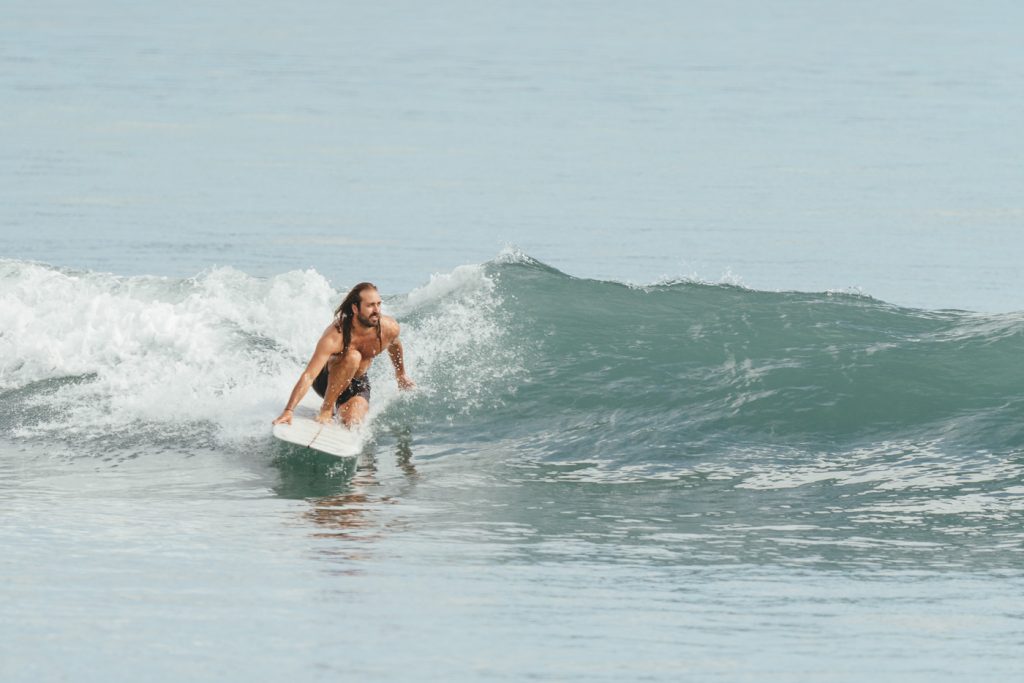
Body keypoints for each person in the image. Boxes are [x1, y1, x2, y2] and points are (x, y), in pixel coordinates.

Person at [272, 282, 414, 427]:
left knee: (353, 422)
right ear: (355, 308)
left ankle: (342, 408)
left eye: (378, 304)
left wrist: (400, 374)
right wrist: (289, 410)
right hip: (326, 380)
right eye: (370, 305)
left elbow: (394, 344)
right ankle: (327, 408)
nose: (376, 310)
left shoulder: (388, 328)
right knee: (353, 357)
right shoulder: (336, 335)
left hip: (357, 383)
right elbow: (309, 375)